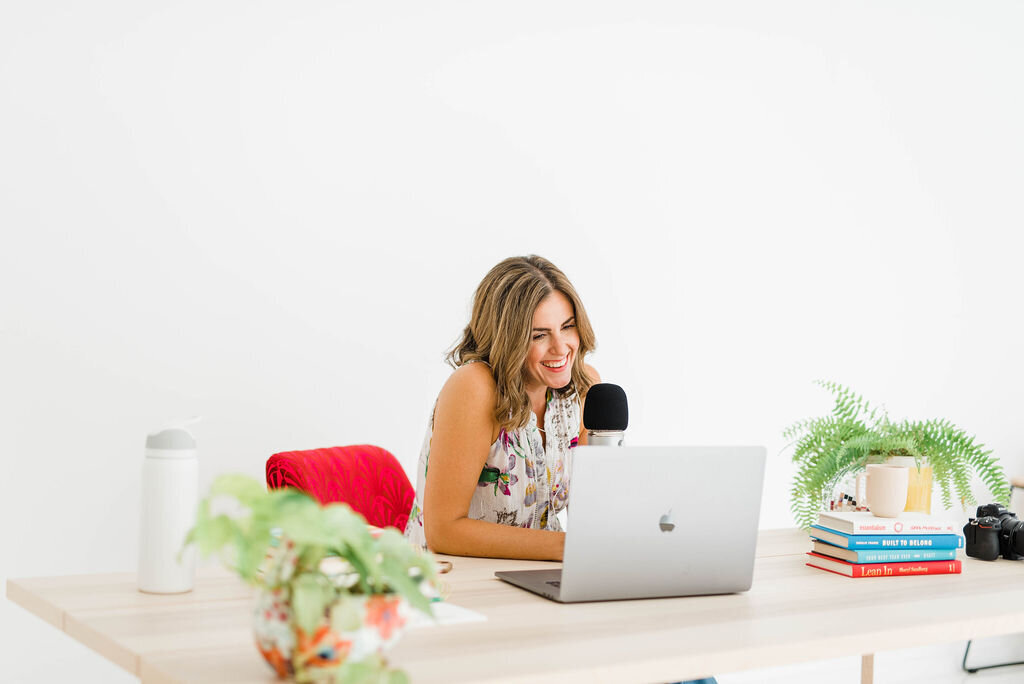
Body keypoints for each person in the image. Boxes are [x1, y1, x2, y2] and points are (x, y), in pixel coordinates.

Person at [404, 255, 600, 560]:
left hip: (542, 573)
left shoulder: (586, 388)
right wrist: (567, 547)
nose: (561, 348)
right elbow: (443, 531)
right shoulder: (474, 387)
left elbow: (595, 517)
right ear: (508, 338)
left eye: (567, 326)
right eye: (539, 335)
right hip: (452, 579)